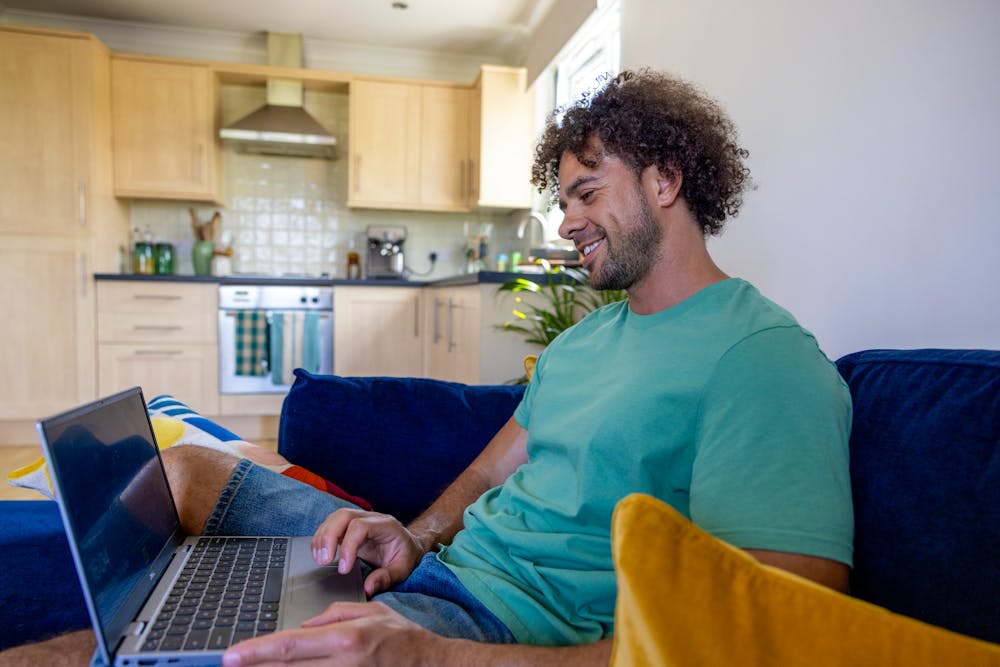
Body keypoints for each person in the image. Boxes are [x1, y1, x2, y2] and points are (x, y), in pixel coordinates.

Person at [1, 69, 853, 666]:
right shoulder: (588, 340)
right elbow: (490, 467)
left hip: (494, 629)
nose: (567, 223)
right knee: (182, 471)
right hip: (434, 570)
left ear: (667, 179)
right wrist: (411, 534)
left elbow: (769, 634)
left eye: (588, 193)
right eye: (564, 200)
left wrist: (432, 655)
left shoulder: (762, 360)